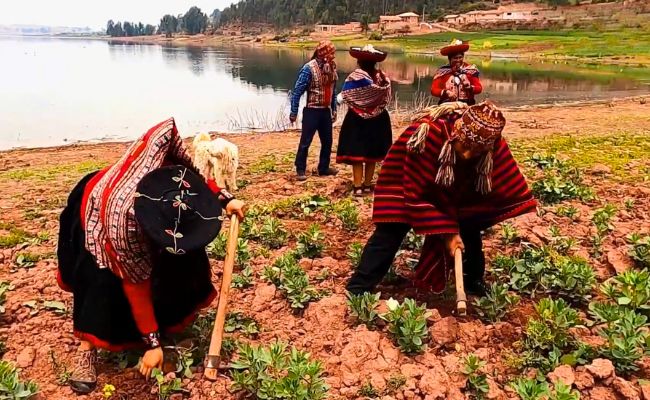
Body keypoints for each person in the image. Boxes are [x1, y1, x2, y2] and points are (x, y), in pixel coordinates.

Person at [56, 118, 246, 394]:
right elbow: (136, 284)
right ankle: (87, 348)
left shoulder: (169, 174)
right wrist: (153, 345)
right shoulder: (123, 226)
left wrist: (225, 198)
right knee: (101, 281)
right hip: (97, 209)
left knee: (182, 259)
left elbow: (195, 184)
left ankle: (164, 323)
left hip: (137, 204)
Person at [346, 101, 537, 296]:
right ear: (457, 133)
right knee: (390, 231)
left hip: (454, 191)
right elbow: (416, 193)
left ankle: (473, 280)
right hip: (405, 185)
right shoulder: (427, 134)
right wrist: (448, 232)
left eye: (477, 151)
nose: (468, 154)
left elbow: (506, 181)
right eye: (465, 146)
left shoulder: (492, 144)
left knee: (469, 226)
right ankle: (359, 287)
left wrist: (459, 224)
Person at [336, 45, 393, 197]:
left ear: (359, 61)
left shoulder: (355, 77)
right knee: (371, 153)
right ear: (375, 62)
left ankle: (357, 187)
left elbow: (346, 95)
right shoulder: (383, 78)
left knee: (357, 154)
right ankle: (367, 185)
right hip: (378, 119)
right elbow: (386, 97)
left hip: (357, 120)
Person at [289, 40, 339, 181]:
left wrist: (334, 108)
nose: (333, 56)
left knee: (327, 141)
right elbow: (297, 92)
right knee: (306, 141)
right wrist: (294, 112)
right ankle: (300, 169)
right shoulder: (308, 68)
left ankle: (323, 168)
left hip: (325, 111)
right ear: (323, 53)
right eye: (331, 53)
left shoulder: (332, 67)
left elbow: (333, 89)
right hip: (312, 111)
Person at [431, 39, 482, 105]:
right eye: (455, 58)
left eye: (460, 57)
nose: (458, 60)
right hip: (447, 105)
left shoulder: (470, 70)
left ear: (463, 57)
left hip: (467, 105)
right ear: (450, 59)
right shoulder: (442, 72)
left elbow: (479, 88)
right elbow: (433, 90)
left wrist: (470, 87)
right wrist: (446, 92)